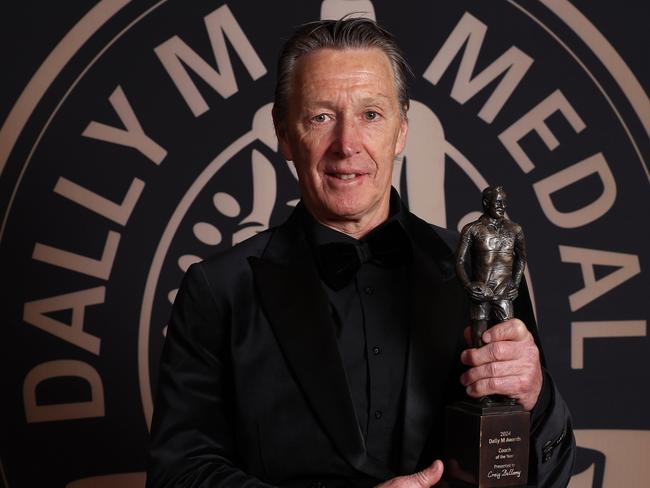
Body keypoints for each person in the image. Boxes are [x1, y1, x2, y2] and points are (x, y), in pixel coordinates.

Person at [146, 17, 575, 488]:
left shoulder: (479, 272)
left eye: (371, 115)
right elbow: (178, 474)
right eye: (321, 117)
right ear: (285, 134)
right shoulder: (219, 290)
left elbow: (542, 476)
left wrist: (535, 398)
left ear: (402, 131)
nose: (347, 145)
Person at [456, 185, 527, 350]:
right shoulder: (472, 229)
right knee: (478, 344)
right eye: (498, 202)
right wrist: (468, 286)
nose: (503, 207)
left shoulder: (515, 229)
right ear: (486, 203)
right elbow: (459, 261)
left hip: (504, 292)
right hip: (481, 292)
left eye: (504, 202)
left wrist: (515, 284)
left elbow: (521, 258)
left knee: (507, 345)